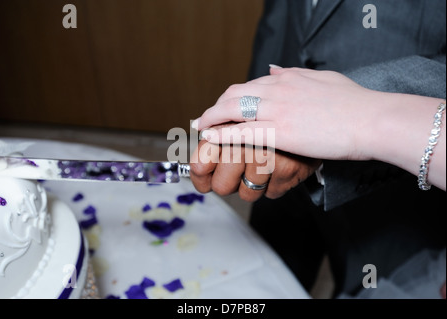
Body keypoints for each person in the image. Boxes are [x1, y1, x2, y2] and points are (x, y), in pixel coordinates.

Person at [189, 0, 446, 298]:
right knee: (266, 279)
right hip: (273, 157)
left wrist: (349, 113)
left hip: (395, 193)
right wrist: (257, 104)